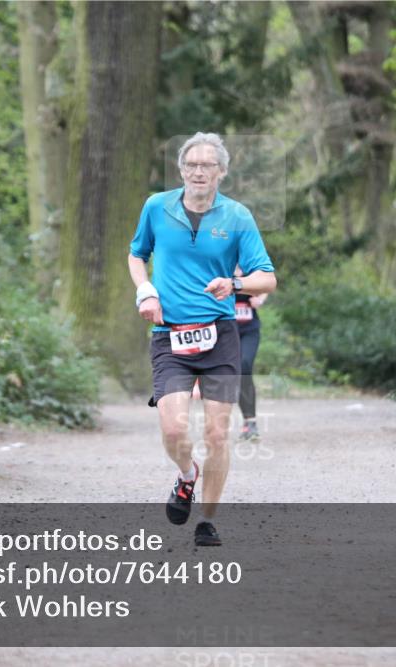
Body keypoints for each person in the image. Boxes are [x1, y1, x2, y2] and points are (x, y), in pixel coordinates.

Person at [128, 132, 276, 547]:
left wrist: (235, 282)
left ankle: (207, 521)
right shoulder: (156, 207)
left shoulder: (237, 217)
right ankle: (187, 475)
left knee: (216, 433)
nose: (198, 171)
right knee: (174, 429)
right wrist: (146, 290)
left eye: (207, 165)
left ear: (221, 172)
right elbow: (137, 253)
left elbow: (268, 277)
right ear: (181, 169)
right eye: (191, 164)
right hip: (169, 334)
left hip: (220, 335)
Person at [233, 266, 267, 442]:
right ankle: (248, 421)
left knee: (245, 365)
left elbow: (266, 285)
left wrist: (260, 300)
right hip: (229, 330)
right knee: (237, 373)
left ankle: (251, 421)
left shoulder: (250, 269)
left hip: (249, 329)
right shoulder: (221, 266)